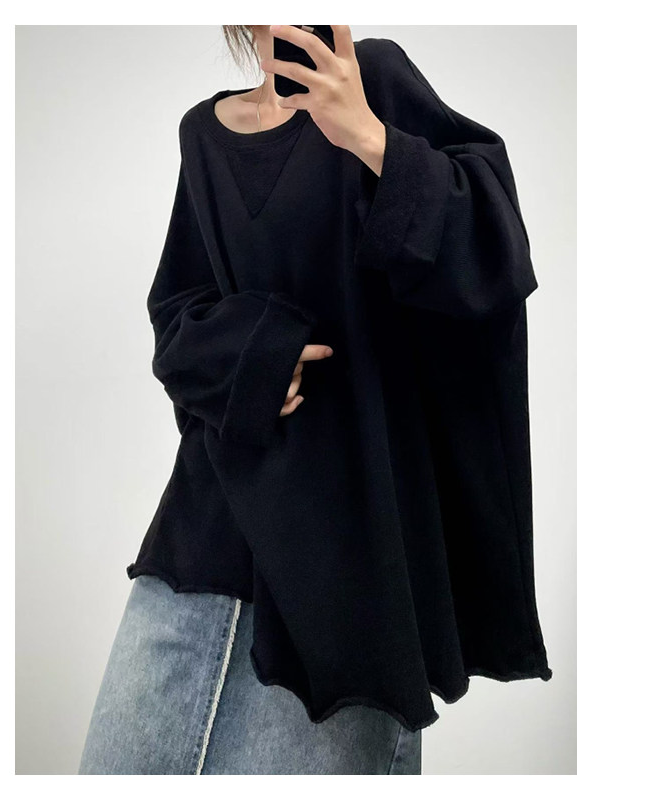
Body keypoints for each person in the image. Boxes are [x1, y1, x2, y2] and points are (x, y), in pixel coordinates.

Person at [78, 24, 552, 775]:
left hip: (349, 552)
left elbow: (496, 254)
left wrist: (367, 135)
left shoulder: (375, 79)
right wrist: (258, 356)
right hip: (202, 537)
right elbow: (177, 315)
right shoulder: (202, 133)